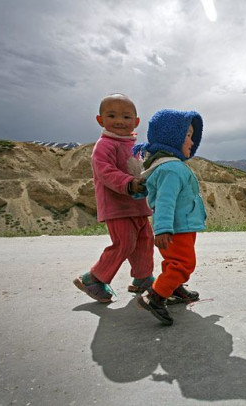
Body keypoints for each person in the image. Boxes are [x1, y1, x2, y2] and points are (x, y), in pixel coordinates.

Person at [73, 93, 155, 303]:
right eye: (112, 115)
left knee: (145, 241)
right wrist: (129, 183)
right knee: (125, 242)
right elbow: (105, 172)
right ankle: (93, 278)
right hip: (117, 207)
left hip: (138, 206)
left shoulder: (133, 146)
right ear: (100, 120)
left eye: (126, 117)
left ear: (136, 121)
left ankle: (142, 278)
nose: (119, 121)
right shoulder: (104, 145)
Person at [133, 109, 207, 325]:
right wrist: (163, 228)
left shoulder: (166, 166)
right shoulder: (172, 169)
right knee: (183, 264)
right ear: (171, 137)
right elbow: (165, 201)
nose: (192, 142)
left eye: (193, 136)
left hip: (180, 227)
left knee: (174, 262)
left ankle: (174, 289)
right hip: (175, 229)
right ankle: (155, 297)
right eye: (188, 135)